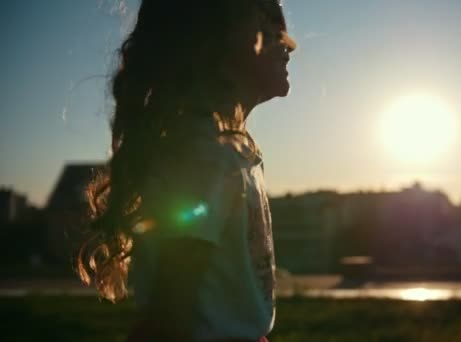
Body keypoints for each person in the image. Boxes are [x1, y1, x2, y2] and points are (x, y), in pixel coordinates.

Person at [76, 0, 296, 341]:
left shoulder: (225, 151)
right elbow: (170, 310)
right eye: (265, 26)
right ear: (209, 44)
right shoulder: (204, 155)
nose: (287, 43)